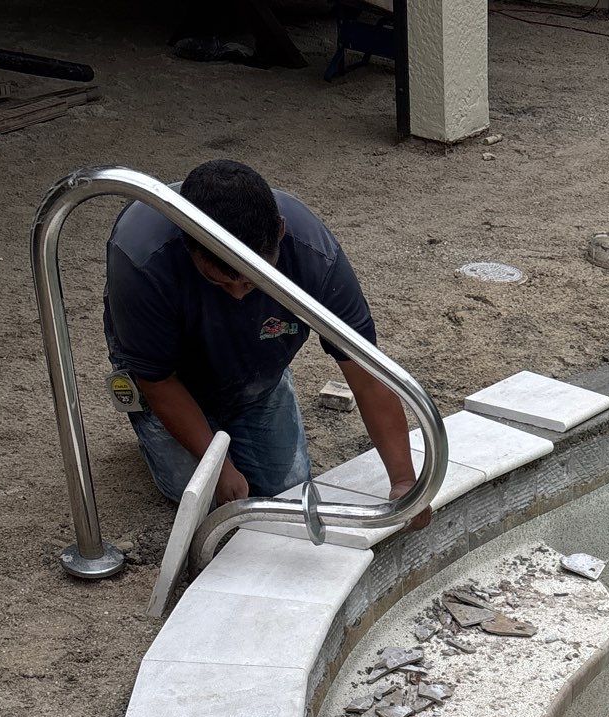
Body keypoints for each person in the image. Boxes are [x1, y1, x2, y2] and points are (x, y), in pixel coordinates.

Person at [103, 157, 424, 519]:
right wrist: (220, 467)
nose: (239, 295)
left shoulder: (312, 254)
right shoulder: (142, 259)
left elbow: (366, 373)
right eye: (220, 282)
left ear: (281, 232)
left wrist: (404, 482)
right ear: (187, 246)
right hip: (173, 375)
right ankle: (155, 426)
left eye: (252, 281)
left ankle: (255, 386)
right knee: (204, 498)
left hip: (256, 372)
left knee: (286, 490)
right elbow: (157, 378)